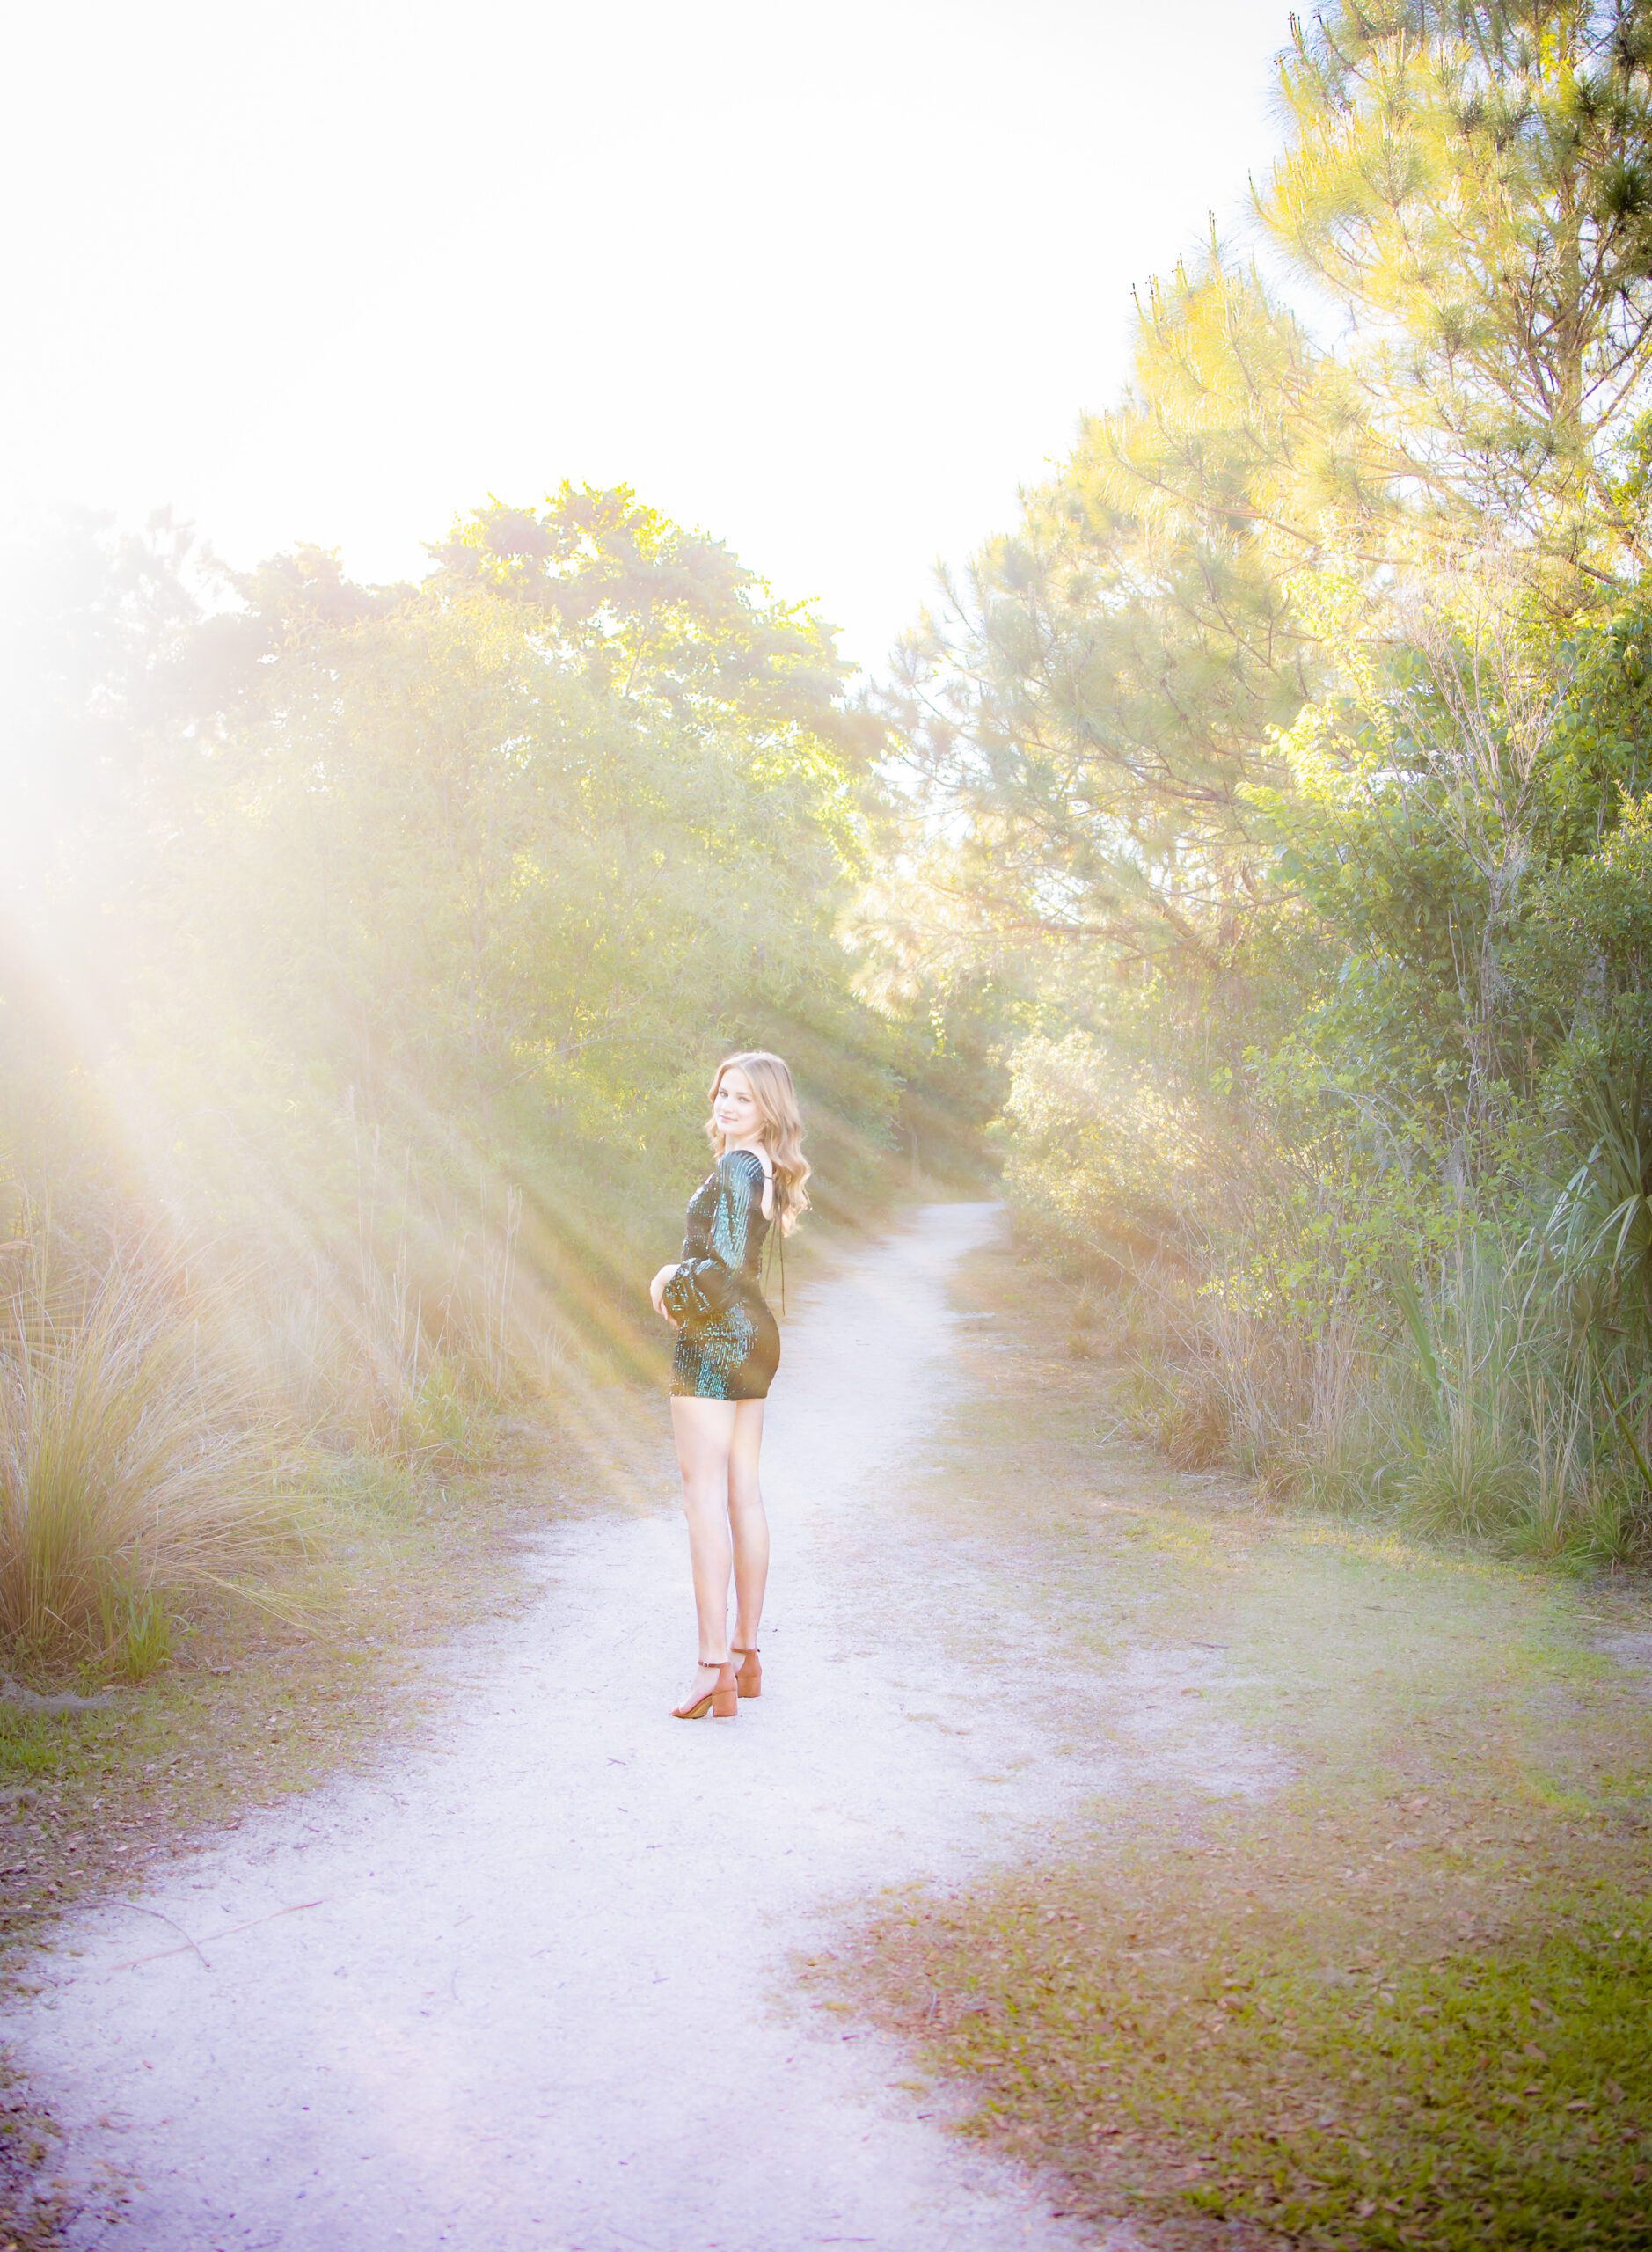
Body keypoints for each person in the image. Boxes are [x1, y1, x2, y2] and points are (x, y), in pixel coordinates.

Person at [649, 1050, 809, 1720]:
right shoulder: (763, 1166)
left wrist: (666, 1282)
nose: (726, 1106)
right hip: (756, 1337)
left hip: (717, 1338)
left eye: (743, 1098)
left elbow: (719, 1272)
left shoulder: (740, 1166)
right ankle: (745, 1657)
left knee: (704, 1498)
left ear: (768, 1109)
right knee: (742, 1494)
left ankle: (712, 1663)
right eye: (722, 1093)